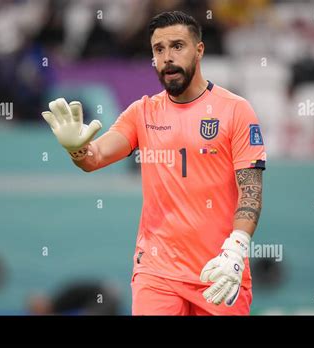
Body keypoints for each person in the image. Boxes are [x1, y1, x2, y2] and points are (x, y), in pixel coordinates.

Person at [41, 11, 266, 316]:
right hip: (156, 273)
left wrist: (237, 248)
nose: (167, 57)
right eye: (159, 49)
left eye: (177, 46)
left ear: (199, 51)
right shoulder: (141, 113)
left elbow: (250, 190)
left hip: (219, 270)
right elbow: (94, 158)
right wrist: (76, 149)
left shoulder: (236, 111)